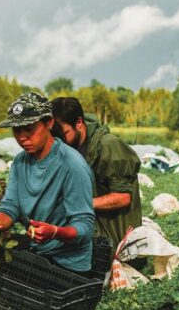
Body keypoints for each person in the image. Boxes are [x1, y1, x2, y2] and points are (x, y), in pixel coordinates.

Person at [0, 92, 95, 273]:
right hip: (38, 253)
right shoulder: (20, 162)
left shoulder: (71, 164)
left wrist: (55, 232)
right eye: (17, 131)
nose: (23, 137)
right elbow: (11, 206)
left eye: (30, 129)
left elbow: (85, 227)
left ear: (49, 123)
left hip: (67, 264)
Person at [51, 96, 142, 247]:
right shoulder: (66, 147)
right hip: (85, 226)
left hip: (113, 237)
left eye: (63, 134)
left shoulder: (109, 146)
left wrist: (80, 204)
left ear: (79, 123)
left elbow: (123, 197)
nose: (59, 140)